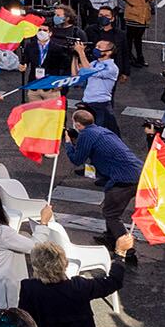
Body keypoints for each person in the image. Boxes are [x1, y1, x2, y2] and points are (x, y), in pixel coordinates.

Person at [64, 107, 144, 260]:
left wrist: (68, 143)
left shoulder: (87, 135)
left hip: (124, 178)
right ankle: (111, 237)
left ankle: (128, 250)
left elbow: (77, 159)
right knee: (110, 207)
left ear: (78, 125)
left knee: (111, 214)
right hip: (137, 172)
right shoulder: (102, 130)